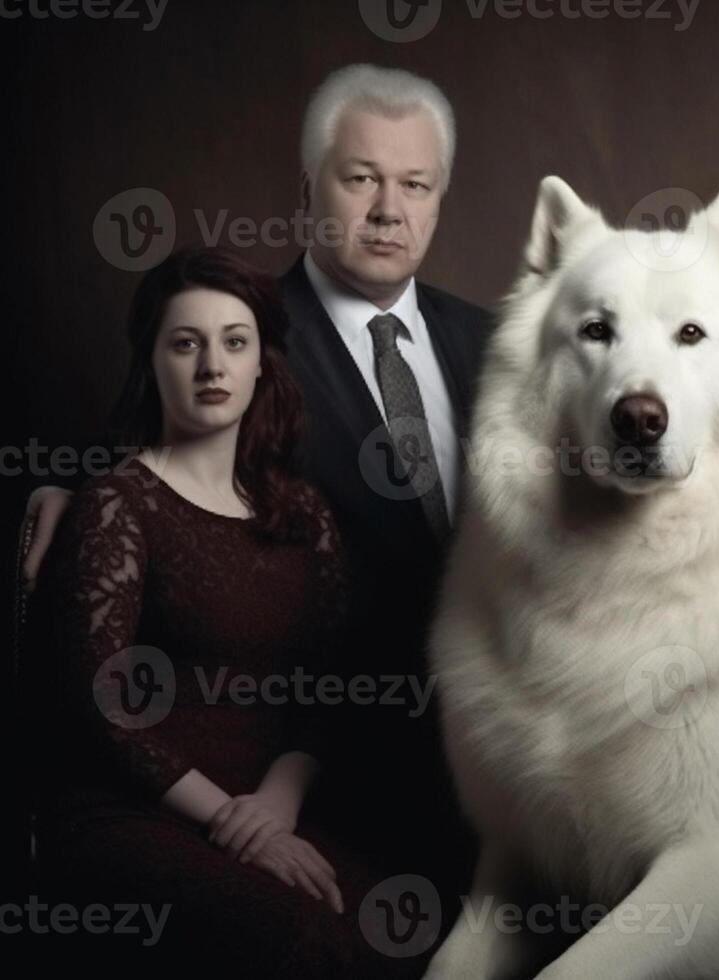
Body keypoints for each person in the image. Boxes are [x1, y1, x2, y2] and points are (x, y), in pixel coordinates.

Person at [22, 64, 492, 898]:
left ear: (440, 192)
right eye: (361, 179)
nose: (390, 209)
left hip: (500, 754)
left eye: (415, 184)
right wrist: (59, 484)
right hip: (340, 769)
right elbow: (145, 460)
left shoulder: (499, 344)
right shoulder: (242, 335)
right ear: (310, 186)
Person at [36, 246, 421, 977]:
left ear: (259, 364)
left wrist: (276, 805)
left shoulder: (304, 512)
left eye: (233, 342)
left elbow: (328, 691)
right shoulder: (117, 502)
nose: (212, 365)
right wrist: (232, 824)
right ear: (152, 361)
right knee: (299, 942)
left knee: (396, 928)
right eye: (186, 344)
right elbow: (101, 706)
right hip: (137, 813)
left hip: (266, 806)